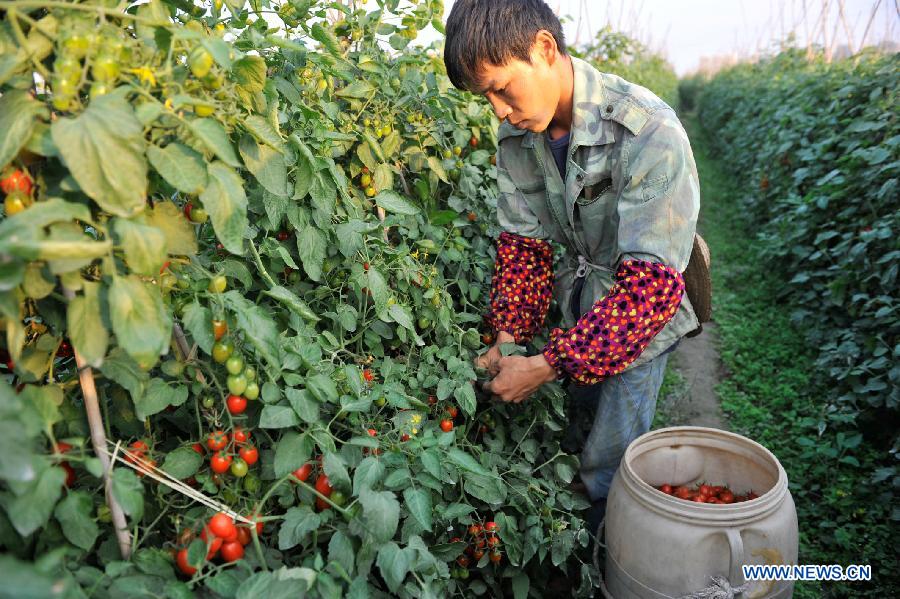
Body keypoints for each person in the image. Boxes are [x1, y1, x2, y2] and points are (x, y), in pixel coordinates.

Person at [443, 0, 701, 533]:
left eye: (501, 88)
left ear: (543, 48)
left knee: (612, 457)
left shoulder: (647, 130)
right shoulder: (519, 138)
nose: (497, 110)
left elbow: (648, 292)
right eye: (484, 97)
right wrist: (510, 338)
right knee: (580, 421)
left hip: (641, 322)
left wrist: (545, 365)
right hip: (581, 304)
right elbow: (524, 246)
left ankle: (612, 553)